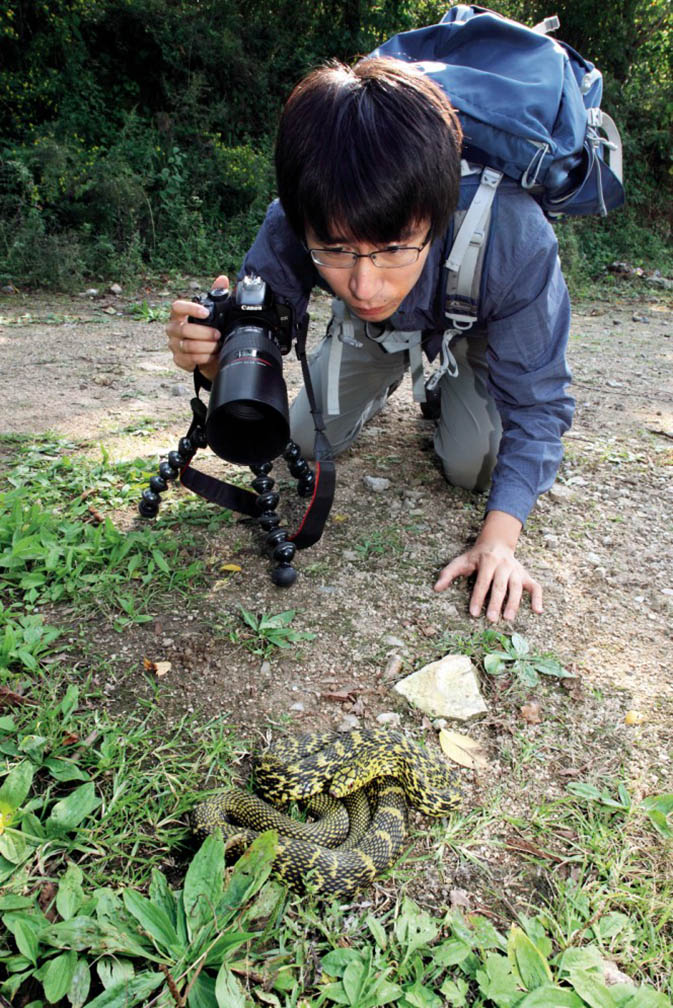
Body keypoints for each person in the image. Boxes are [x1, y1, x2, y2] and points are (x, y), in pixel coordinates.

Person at [166, 58, 574, 622]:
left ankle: (445, 388)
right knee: (302, 439)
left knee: (474, 469)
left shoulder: (515, 236)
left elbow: (539, 405)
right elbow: (255, 344)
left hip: (477, 331)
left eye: (393, 248)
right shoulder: (294, 220)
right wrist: (212, 360)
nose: (363, 284)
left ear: (438, 211)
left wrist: (499, 541)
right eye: (333, 251)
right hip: (376, 336)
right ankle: (384, 381)